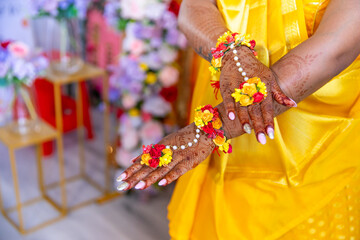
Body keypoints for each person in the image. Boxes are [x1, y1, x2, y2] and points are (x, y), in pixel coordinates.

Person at [117, 0, 360, 239]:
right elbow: (194, 7)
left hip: (317, 144)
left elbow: (337, 46)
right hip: (225, 132)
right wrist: (231, 53)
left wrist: (208, 131)